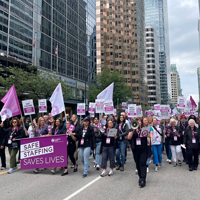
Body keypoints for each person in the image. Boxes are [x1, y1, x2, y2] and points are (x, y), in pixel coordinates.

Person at [128, 117, 148, 188]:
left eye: (140, 121)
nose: (139, 122)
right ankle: (140, 177)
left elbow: (148, 137)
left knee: (142, 163)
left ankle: (143, 179)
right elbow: (129, 137)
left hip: (144, 149)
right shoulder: (132, 129)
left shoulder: (144, 128)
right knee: (137, 164)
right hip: (135, 149)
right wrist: (133, 130)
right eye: (137, 121)